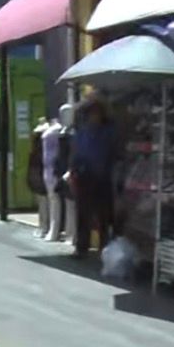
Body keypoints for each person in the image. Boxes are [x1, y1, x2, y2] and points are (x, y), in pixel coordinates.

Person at [68, 98, 117, 258]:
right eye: (92, 113)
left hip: (103, 177)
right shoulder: (82, 132)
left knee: (104, 215)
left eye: (97, 113)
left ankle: (104, 246)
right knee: (83, 214)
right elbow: (76, 154)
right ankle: (82, 247)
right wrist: (73, 170)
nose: (94, 116)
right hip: (85, 177)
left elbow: (113, 153)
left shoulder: (107, 131)